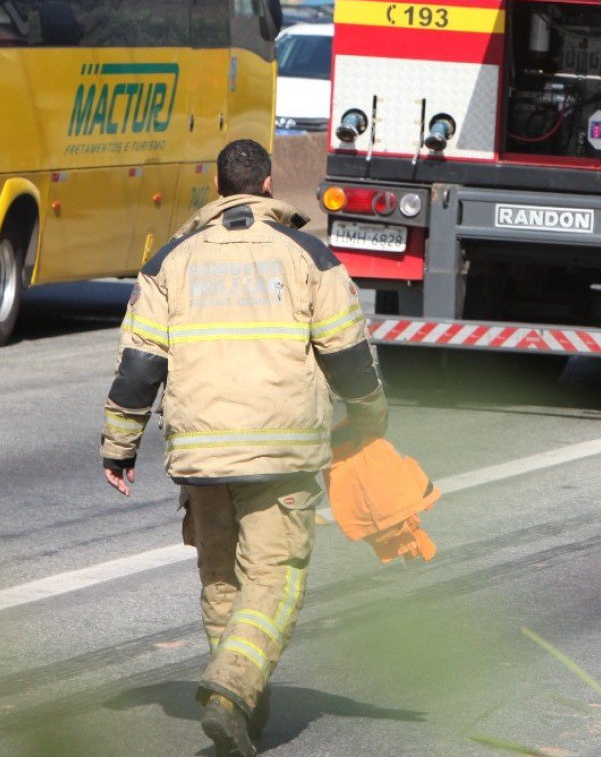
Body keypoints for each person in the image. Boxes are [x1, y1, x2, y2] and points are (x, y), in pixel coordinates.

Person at [100, 138, 388, 756]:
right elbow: (346, 355)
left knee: (220, 577)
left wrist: (119, 446)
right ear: (267, 185)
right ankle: (233, 689)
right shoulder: (309, 255)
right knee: (274, 579)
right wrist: (369, 416)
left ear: (217, 186)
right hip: (280, 453)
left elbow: (138, 366)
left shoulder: (169, 262)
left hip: (202, 457)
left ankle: (239, 703)